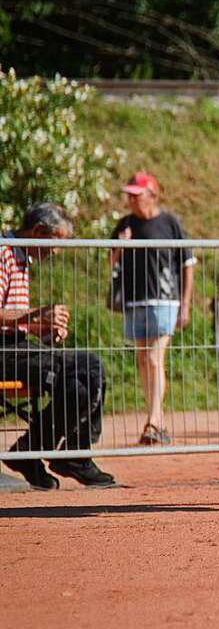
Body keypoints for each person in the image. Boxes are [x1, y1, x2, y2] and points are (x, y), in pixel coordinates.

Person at [1, 203, 116, 489]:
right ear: (38, 231)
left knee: (84, 378)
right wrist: (35, 315)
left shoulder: (20, 257)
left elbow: (13, 320)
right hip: (4, 351)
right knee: (87, 367)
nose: (56, 252)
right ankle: (63, 454)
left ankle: (49, 452)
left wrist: (45, 329)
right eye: (54, 243)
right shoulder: (3, 253)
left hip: (16, 346)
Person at [110, 172, 196, 445]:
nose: (132, 200)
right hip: (134, 300)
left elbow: (188, 264)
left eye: (137, 194)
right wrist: (120, 247)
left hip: (165, 299)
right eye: (130, 195)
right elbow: (111, 262)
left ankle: (155, 419)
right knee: (143, 360)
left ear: (152, 195)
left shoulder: (170, 223)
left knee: (155, 358)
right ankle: (156, 419)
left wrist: (186, 303)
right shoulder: (125, 224)